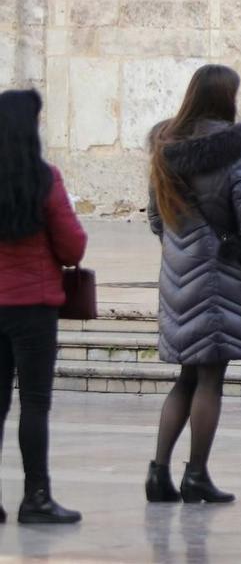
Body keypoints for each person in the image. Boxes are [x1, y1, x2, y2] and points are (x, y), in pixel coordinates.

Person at [144, 64, 241, 506]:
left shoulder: (165, 147)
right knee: (210, 380)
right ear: (225, 98)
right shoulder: (233, 152)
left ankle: (158, 473)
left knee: (185, 377)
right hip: (219, 276)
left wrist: (181, 250)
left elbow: (157, 217)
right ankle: (196, 475)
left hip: (178, 273)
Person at [0, 89, 87, 525]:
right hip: (33, 307)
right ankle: (35, 498)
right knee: (34, 402)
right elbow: (73, 245)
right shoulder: (44, 178)